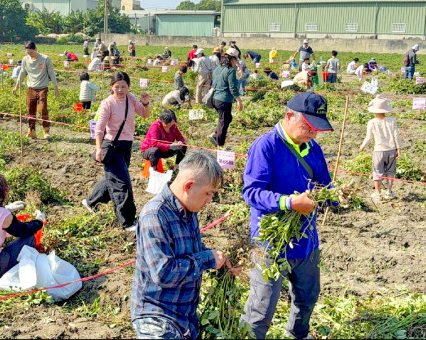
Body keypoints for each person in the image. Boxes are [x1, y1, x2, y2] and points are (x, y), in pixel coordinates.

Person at [240, 92, 334, 339]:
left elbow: (324, 183)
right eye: (309, 127)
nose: (314, 133)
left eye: (318, 129)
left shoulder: (313, 149)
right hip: (271, 241)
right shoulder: (266, 146)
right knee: (262, 306)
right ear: (289, 116)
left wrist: (334, 195)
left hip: (306, 240)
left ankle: (297, 335)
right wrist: (290, 203)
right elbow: (251, 192)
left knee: (307, 297)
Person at [131, 150, 237, 339]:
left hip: (184, 317)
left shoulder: (189, 210)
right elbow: (163, 273)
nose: (209, 200)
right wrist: (207, 259)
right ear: (189, 186)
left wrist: (219, 259)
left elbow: (190, 253)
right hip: (156, 317)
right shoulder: (155, 216)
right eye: (208, 193)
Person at [83, 71, 150, 231]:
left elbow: (145, 115)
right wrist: (98, 148)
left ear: (128, 86)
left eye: (123, 87)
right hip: (111, 146)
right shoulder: (107, 103)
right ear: (111, 87)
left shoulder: (131, 99)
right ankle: (127, 221)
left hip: (126, 146)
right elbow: (99, 129)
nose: (120, 90)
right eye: (117, 87)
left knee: (112, 179)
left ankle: (90, 201)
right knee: (122, 184)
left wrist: (146, 103)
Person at [13, 41, 60, 139]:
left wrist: (56, 88)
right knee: (30, 109)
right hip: (31, 88)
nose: (30, 55)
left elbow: (51, 73)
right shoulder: (25, 60)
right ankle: (32, 130)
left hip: (43, 87)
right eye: (28, 53)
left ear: (36, 49)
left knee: (42, 109)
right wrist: (16, 87)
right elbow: (22, 73)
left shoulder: (45, 59)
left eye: (32, 53)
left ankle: (46, 131)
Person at [359, 95, 401, 200]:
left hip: (379, 151)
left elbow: (368, 137)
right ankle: (389, 192)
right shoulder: (392, 120)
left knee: (377, 172)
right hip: (391, 150)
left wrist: (363, 145)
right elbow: (396, 135)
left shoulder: (371, 122)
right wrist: (399, 149)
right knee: (391, 171)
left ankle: (377, 194)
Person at [209, 53, 243, 147]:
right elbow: (233, 88)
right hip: (224, 100)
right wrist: (239, 100)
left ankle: (215, 134)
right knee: (224, 121)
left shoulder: (218, 68)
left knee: (227, 118)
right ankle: (220, 144)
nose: (237, 61)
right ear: (231, 60)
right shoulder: (231, 71)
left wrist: (238, 67)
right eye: (236, 59)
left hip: (215, 99)